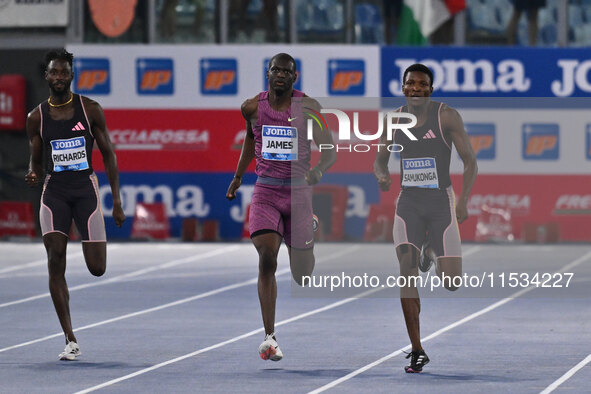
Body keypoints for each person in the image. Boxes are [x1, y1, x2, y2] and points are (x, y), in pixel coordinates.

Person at [226, 53, 336, 361]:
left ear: (294, 77)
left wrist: (319, 171)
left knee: (302, 274)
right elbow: (251, 139)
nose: (280, 75)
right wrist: (237, 178)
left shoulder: (309, 108)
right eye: (275, 69)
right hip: (266, 191)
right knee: (267, 259)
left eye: (286, 71)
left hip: (299, 191)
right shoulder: (251, 107)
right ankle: (269, 337)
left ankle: (307, 231)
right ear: (268, 73)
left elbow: (329, 150)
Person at [373, 63, 477, 373]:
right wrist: (382, 177)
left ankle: (431, 250)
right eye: (411, 83)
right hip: (409, 202)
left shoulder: (446, 116)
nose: (416, 88)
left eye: (422, 84)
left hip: (440, 203)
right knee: (406, 271)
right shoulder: (393, 120)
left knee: (453, 282)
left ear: (430, 89)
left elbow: (470, 161)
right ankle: (417, 349)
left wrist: (463, 200)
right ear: (403, 88)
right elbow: (379, 162)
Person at [25, 49, 125, 360]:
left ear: (71, 75)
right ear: (47, 76)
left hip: (85, 190)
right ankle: (70, 337)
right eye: (53, 73)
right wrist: (32, 171)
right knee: (55, 258)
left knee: (97, 268)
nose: (58, 78)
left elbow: (109, 154)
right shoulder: (36, 117)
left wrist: (117, 201)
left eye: (63, 73)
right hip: (54, 192)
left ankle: (71, 334)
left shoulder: (90, 109)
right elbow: (36, 158)